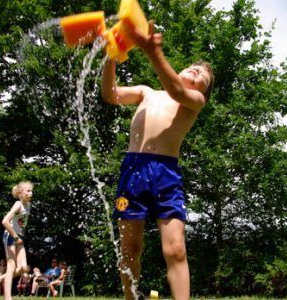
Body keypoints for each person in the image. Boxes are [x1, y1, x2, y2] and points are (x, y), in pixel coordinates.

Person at [101, 21, 214, 300]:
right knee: (130, 247)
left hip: (166, 173)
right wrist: (110, 56)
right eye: (194, 66)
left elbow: (176, 90)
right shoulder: (146, 92)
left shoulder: (193, 100)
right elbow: (110, 94)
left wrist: (153, 51)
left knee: (175, 249)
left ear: (203, 90)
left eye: (203, 76)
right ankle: (130, 297)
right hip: (133, 170)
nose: (197, 71)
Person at [0, 181, 33, 300]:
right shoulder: (18, 204)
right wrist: (16, 237)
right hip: (11, 236)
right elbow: (5, 221)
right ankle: (8, 298)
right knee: (11, 267)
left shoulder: (28, 205)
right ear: (19, 193)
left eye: (31, 190)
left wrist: (19, 237)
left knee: (23, 268)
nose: (31, 193)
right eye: (28, 191)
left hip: (19, 237)